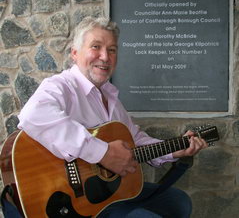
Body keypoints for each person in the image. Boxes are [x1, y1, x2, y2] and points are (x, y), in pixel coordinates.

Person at [18, 16, 207, 218]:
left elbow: (135, 142)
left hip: (108, 194)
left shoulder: (111, 98)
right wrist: (102, 153)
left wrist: (175, 150)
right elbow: (32, 115)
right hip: (75, 203)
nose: (105, 57)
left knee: (178, 202)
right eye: (96, 47)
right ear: (75, 53)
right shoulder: (61, 86)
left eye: (112, 50)